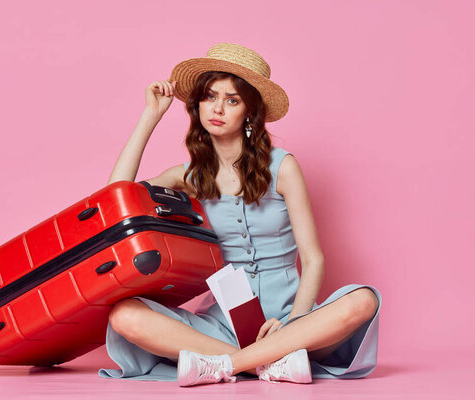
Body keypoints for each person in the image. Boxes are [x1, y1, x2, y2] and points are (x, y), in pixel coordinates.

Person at [100, 43, 381, 387]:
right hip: (221, 325)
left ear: (250, 111)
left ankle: (226, 365)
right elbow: (115, 200)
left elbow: (314, 259)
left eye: (232, 100)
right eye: (209, 97)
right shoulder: (188, 176)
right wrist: (150, 116)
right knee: (125, 315)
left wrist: (294, 322)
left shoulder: (283, 167)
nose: (217, 108)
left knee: (363, 301)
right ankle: (268, 365)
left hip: (291, 321)